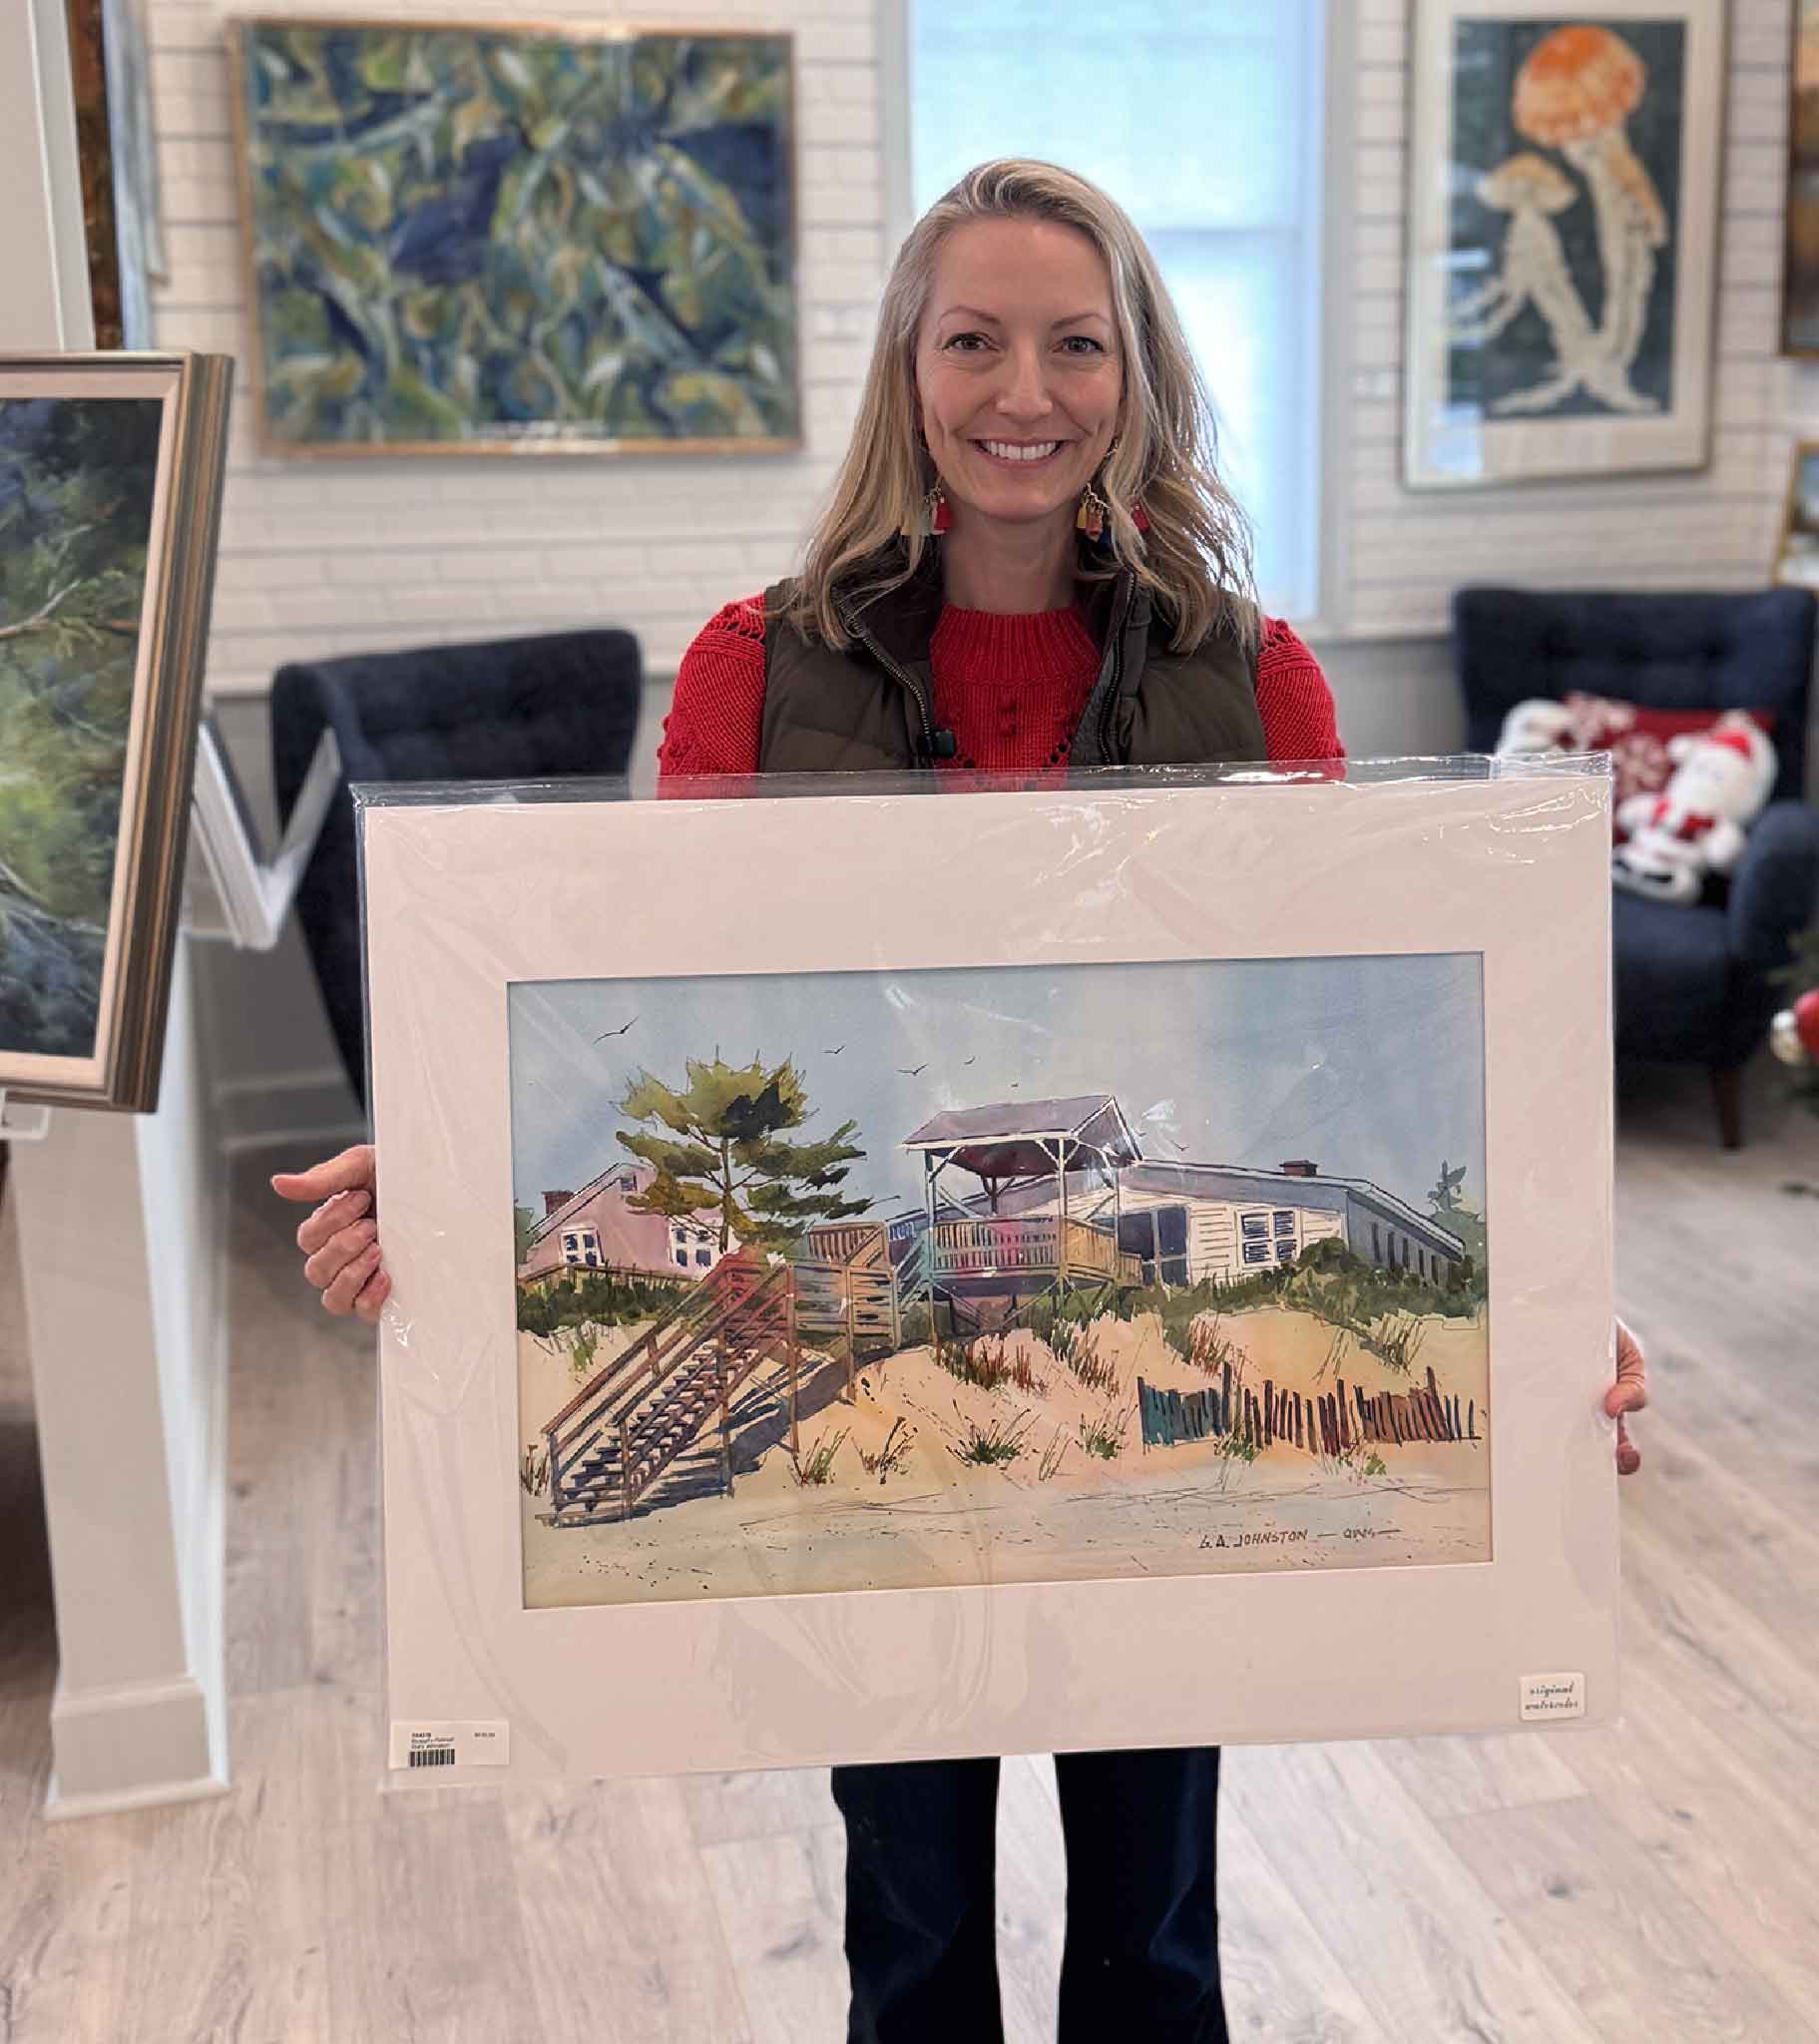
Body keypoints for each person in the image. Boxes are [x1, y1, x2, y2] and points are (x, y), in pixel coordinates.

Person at [274, 159, 1649, 2044]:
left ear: (1137, 371)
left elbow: (1365, 1012)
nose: (1027, 392)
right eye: (976, 340)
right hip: (904, 1460)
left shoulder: (1262, 685)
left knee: (1157, 1935)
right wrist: (441, 1171)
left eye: (1074, 344)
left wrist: (1555, 1295)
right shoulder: (756, 680)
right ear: (908, 371)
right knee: (909, 1927)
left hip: (1174, 1458)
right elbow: (652, 1025)